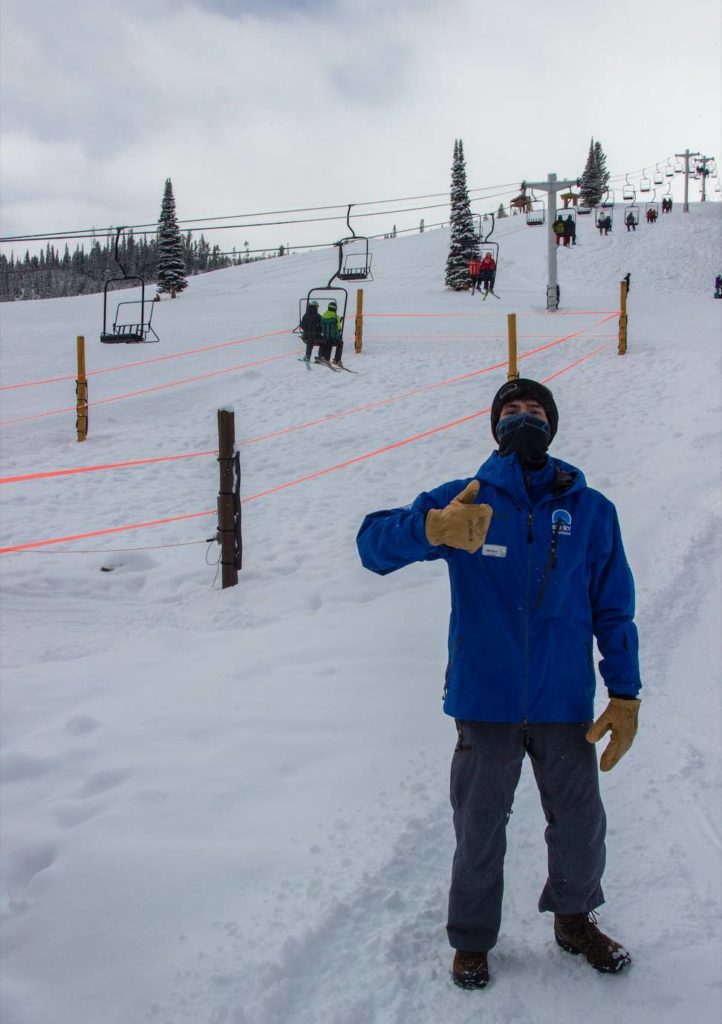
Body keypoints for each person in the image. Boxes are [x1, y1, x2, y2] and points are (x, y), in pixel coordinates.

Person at [356, 377, 641, 990]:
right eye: (511, 410)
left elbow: (613, 606)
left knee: (580, 822)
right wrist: (430, 528)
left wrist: (624, 691)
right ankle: (472, 941)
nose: (523, 417)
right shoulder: (467, 498)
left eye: (535, 409)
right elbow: (371, 545)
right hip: (485, 700)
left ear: (552, 423)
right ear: (495, 426)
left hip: (565, 704)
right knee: (479, 826)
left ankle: (573, 920)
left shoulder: (591, 510)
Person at [320, 299, 344, 365]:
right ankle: (337, 360)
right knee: (340, 343)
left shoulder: (323, 315)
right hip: (333, 338)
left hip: (325, 336)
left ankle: (326, 358)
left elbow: (322, 325)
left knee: (328, 342)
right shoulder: (336, 317)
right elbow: (339, 328)